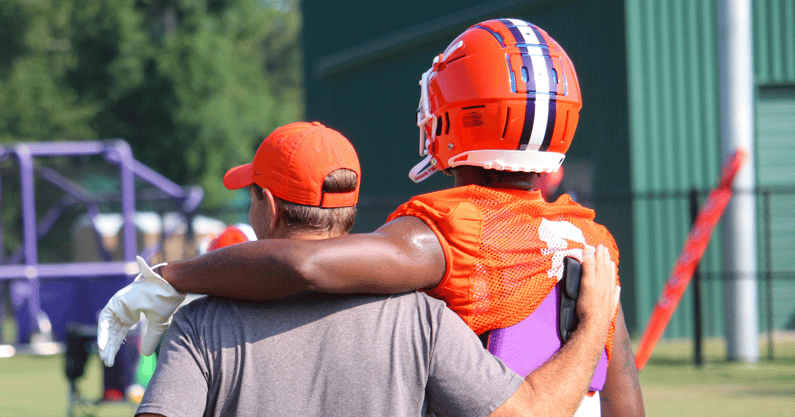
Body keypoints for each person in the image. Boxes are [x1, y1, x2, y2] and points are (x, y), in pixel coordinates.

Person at [99, 19, 643, 416]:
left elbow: (307, 265)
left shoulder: (449, 234)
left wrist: (173, 276)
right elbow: (626, 402)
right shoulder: (589, 244)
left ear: (455, 114)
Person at [109, 121, 620, 417]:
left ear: (266, 204)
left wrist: (170, 277)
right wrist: (594, 325)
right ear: (349, 210)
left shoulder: (202, 324)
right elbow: (526, 414)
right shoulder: (423, 318)